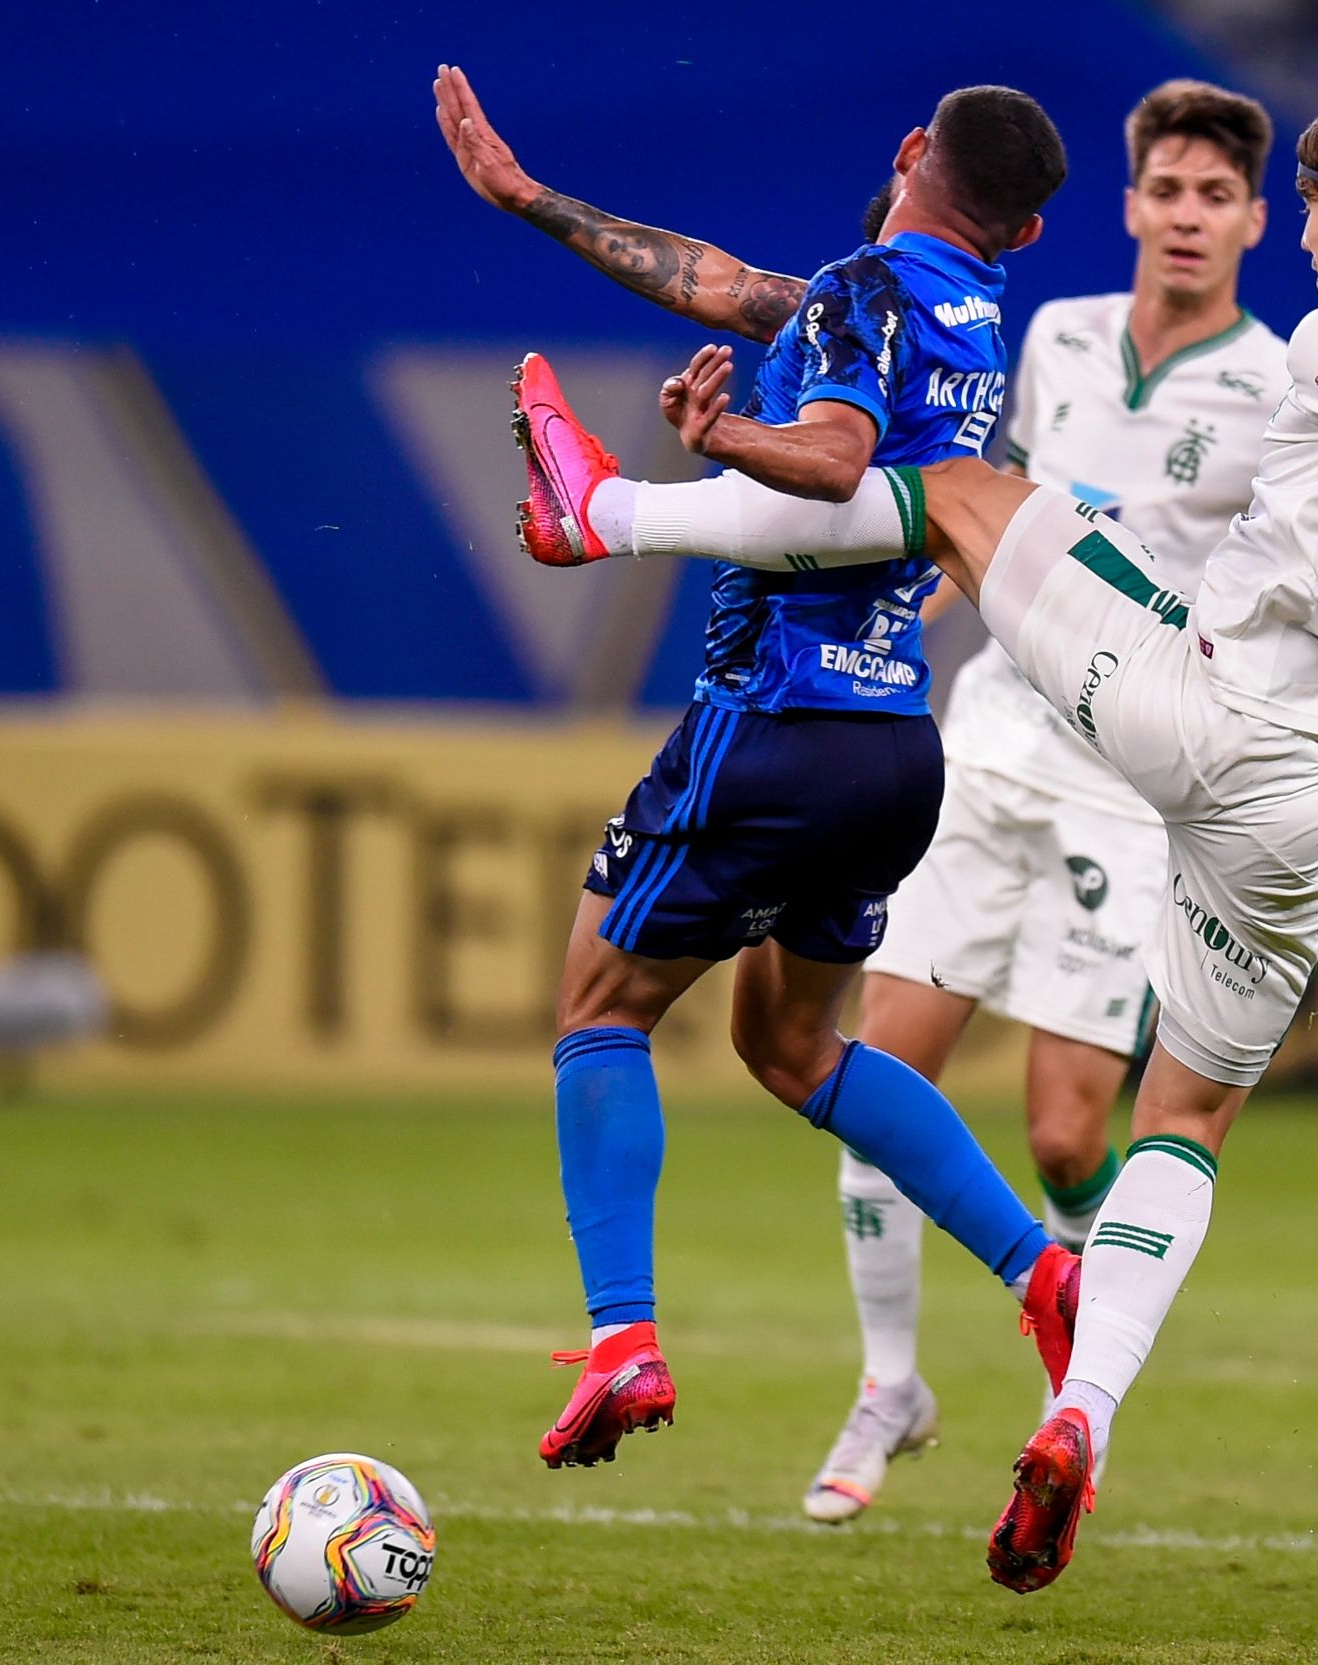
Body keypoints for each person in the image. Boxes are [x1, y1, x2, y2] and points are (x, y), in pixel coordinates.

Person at [511, 79, 1318, 1589]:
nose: (1306, 261)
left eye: (1312, 229)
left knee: (956, 489)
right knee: (1184, 1125)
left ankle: (600, 512)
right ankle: (1081, 1410)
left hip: (1194, 715)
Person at [437, 67, 1091, 1473]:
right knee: (791, 1046)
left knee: (601, 1004)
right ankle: (1046, 1274)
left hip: (775, 720)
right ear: (1025, 235)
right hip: (892, 750)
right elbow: (720, 283)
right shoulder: (970, 326)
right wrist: (531, 197)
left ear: (910, 148)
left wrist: (729, 437)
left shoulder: (863, 290)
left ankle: (624, 1340)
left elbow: (839, 459)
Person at [811, 79, 1287, 1526]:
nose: (1188, 217)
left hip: (1129, 782)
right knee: (879, 1077)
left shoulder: (1276, 385)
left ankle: (1072, 1399)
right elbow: (970, 491)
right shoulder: (1054, 334)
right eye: (1168, 192)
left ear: (1255, 223)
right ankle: (889, 1381)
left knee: (1074, 1135)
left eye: (1217, 197)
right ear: (1131, 206)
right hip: (994, 741)